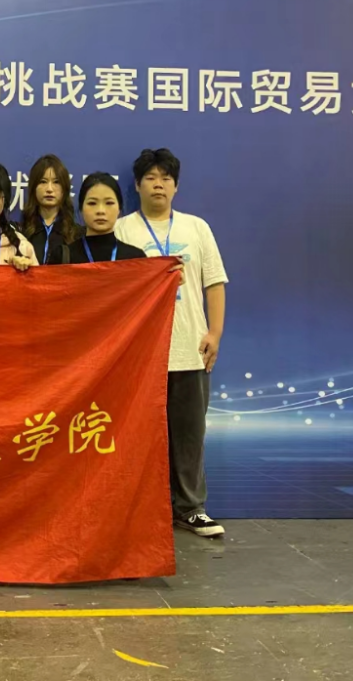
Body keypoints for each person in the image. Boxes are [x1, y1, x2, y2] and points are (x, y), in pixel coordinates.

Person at [115, 149, 227, 538]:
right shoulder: (122, 229)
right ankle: (140, 509)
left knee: (189, 435)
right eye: (150, 178)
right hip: (140, 352)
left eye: (165, 178)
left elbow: (215, 282)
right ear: (137, 185)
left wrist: (214, 333)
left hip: (189, 348)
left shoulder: (197, 228)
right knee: (137, 435)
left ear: (176, 186)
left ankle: (191, 508)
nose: (158, 184)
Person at [67, 172, 146, 264]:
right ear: (81, 208)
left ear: (119, 208)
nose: (101, 211)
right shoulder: (64, 256)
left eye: (109, 203)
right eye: (92, 203)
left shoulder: (136, 258)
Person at [21, 154, 81, 266]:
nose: (49, 189)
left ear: (65, 188)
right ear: (33, 187)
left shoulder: (77, 234)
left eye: (56, 182)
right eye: (43, 182)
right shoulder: (21, 231)